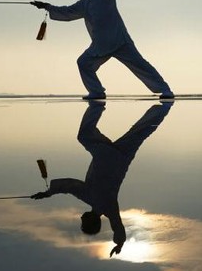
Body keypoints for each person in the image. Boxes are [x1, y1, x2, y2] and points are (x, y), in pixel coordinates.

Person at [30, 0, 174, 100]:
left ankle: (165, 90)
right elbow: (68, 12)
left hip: (120, 40)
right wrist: (46, 5)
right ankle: (97, 91)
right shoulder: (85, 3)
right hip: (101, 45)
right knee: (83, 63)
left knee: (141, 65)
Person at [30, 102, 172, 257]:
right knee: (84, 135)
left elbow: (117, 225)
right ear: (90, 220)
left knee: (140, 132)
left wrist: (120, 243)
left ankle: (164, 107)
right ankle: (97, 104)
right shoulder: (89, 196)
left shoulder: (109, 208)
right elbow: (69, 185)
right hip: (105, 155)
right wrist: (48, 193)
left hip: (121, 159)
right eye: (83, 222)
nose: (81, 218)